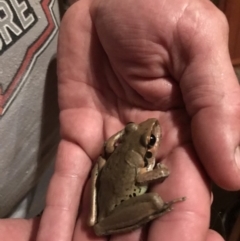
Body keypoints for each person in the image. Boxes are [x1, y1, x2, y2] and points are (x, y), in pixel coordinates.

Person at [1, 0, 240, 240]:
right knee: (155, 200)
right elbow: (156, 173)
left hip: (64, 172)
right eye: (152, 140)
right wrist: (160, 170)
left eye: (136, 131)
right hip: (58, 195)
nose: (153, 130)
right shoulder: (140, 163)